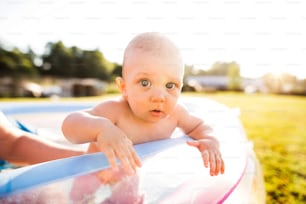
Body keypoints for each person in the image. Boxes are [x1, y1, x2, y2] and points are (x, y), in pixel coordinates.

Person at [62, 32, 225, 202]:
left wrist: (209, 140)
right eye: (145, 83)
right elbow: (70, 125)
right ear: (124, 87)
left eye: (170, 85)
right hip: (93, 171)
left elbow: (199, 126)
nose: (159, 97)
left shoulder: (175, 114)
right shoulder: (116, 111)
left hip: (130, 173)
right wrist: (101, 128)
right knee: (78, 199)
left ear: (181, 87)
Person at [0, 111, 84, 168]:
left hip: (27, 134)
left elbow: (14, 145)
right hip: (11, 149)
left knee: (63, 141)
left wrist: (82, 160)